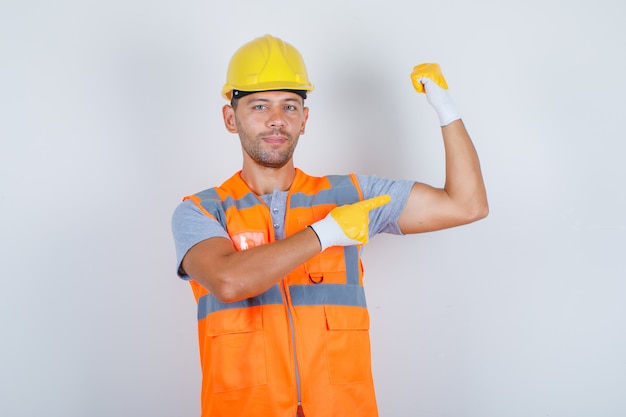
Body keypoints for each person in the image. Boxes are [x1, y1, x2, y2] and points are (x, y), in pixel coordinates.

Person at [171, 34, 488, 417]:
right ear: (229, 118)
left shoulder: (350, 195)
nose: (276, 119)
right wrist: (327, 233)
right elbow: (228, 281)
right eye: (259, 105)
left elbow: (466, 205)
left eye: (290, 105)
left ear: (304, 120)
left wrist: (446, 109)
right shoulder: (201, 211)